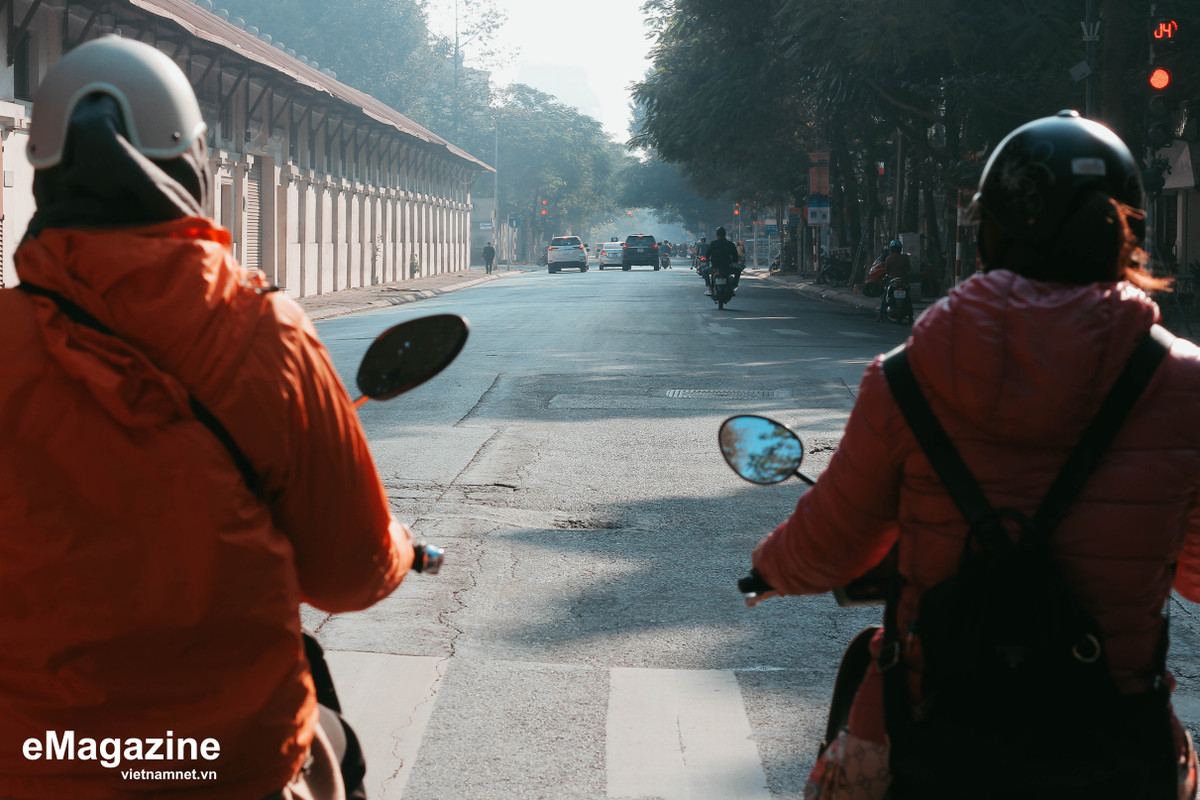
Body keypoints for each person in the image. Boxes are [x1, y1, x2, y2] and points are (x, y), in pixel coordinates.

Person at [0, 36, 418, 800]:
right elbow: (348, 576)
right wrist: (400, 547)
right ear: (192, 167)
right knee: (335, 752)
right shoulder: (267, 334)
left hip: (32, 764)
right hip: (224, 763)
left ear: (45, 178)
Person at [748, 110, 1200, 798]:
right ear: (1128, 231)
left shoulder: (905, 374)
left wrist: (765, 572)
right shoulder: (1184, 385)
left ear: (990, 231)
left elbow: (833, 546)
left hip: (927, 738)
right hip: (1114, 744)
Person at [874, 239, 911, 322]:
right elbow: (908, 268)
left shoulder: (889, 258)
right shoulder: (904, 257)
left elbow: (887, 270)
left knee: (885, 296)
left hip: (892, 279)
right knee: (908, 297)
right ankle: (911, 315)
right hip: (903, 279)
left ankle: (880, 315)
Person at [703, 226, 741, 296]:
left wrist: (708, 261)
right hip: (727, 267)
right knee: (738, 271)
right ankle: (733, 286)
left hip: (715, 267)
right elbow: (735, 257)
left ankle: (710, 288)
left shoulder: (713, 243)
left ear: (716, 234)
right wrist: (734, 261)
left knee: (705, 271)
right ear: (725, 234)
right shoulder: (730, 244)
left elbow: (707, 255)